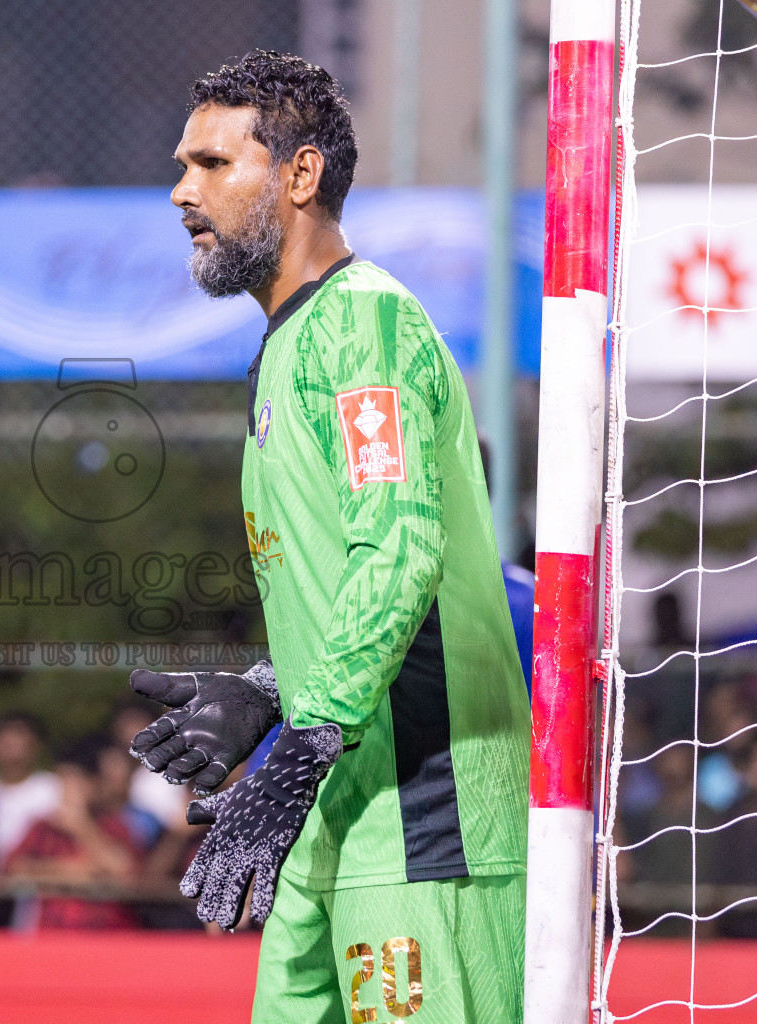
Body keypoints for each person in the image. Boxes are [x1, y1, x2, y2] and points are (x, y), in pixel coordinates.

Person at [129, 51, 529, 1021]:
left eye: (213, 165)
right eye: (185, 164)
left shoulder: (366, 323)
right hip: (333, 809)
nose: (182, 189)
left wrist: (304, 737)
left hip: (425, 818)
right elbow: (352, 579)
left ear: (300, 175)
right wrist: (273, 691)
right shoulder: (289, 344)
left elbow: (400, 554)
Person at [1, 738, 144, 929]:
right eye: (63, 781)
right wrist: (65, 871)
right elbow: (11, 868)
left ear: (94, 785)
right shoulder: (43, 827)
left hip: (108, 936)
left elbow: (127, 875)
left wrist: (83, 829)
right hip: (53, 935)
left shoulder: (116, 827)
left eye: (76, 783)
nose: (68, 791)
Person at [0, 712, 61, 872]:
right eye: (3, 738)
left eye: (18, 736)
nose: (10, 744)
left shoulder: (52, 789)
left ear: (35, 745)